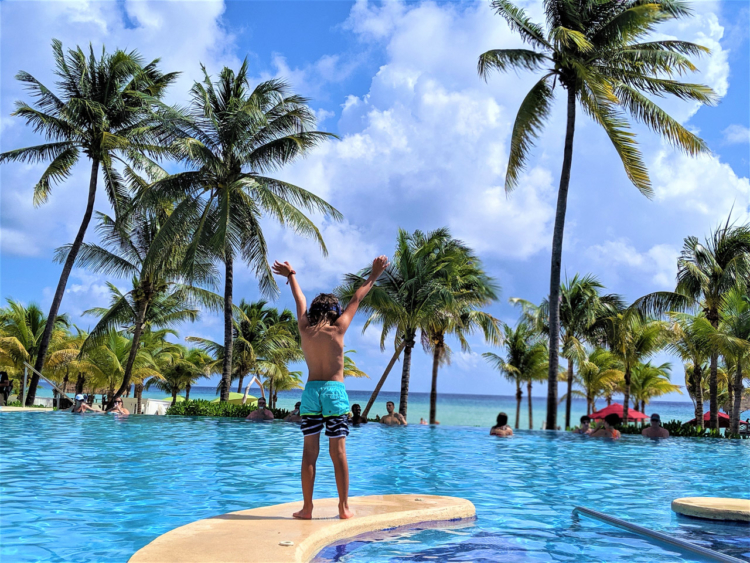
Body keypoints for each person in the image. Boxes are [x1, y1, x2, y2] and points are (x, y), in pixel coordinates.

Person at [273, 255, 389, 520]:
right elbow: (356, 299)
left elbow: (299, 299)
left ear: (314, 311)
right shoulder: (339, 328)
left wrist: (292, 274)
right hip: (335, 392)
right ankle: (343, 508)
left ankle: (307, 508)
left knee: (309, 454)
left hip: (312, 392)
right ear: (334, 311)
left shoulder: (304, 328)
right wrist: (373, 275)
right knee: (338, 453)